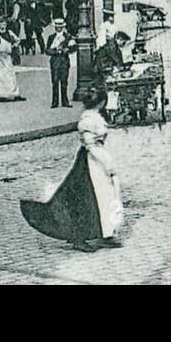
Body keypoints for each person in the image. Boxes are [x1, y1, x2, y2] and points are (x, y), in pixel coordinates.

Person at [20, 87, 124, 251]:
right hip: (91, 163)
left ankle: (106, 233)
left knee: (103, 196)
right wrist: (108, 163)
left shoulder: (93, 117)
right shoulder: (88, 121)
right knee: (86, 200)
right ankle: (79, 236)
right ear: (102, 102)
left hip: (94, 161)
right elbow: (91, 146)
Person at [0, 28, 24, 102]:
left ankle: (15, 94)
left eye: (4, 23)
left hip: (7, 56)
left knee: (11, 74)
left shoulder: (9, 32)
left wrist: (12, 46)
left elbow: (17, 40)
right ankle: (1, 95)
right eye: (0, 23)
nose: (2, 25)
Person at [48, 18, 74, 109]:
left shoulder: (68, 37)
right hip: (55, 61)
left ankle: (65, 101)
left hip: (64, 61)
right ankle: (54, 102)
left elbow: (73, 47)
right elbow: (47, 50)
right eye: (57, 27)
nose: (58, 28)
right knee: (55, 81)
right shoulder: (51, 37)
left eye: (60, 27)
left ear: (63, 27)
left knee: (64, 82)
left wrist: (67, 50)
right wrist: (55, 52)